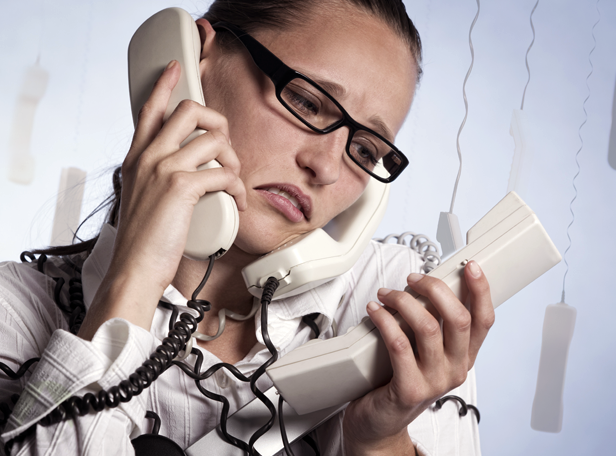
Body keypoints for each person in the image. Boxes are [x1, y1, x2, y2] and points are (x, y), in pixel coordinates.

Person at [0, 0, 495, 454]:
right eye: (307, 101)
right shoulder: (15, 313)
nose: (326, 166)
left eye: (365, 151)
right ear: (195, 57)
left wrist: (381, 441)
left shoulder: (399, 306)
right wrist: (132, 281)